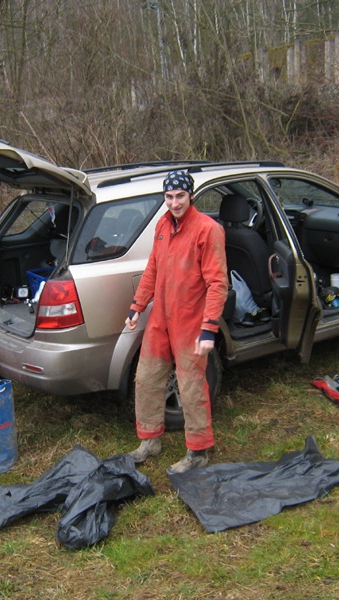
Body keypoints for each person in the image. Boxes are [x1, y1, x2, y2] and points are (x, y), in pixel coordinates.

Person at [125, 170, 229, 474]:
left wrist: (209, 327)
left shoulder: (208, 230)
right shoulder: (162, 225)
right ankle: (149, 440)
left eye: (180, 196)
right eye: (169, 197)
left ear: (190, 195)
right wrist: (137, 306)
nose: (174, 203)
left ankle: (198, 451)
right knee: (146, 379)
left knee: (191, 387)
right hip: (160, 318)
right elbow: (152, 270)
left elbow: (218, 283)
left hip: (190, 320)